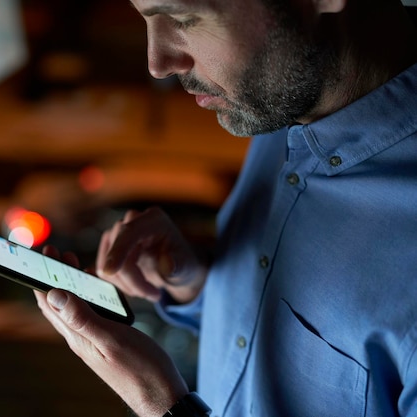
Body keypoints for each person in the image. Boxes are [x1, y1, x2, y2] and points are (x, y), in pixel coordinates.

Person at [34, 0, 417, 415]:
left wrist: (163, 405)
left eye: (183, 18)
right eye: (144, 18)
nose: (158, 63)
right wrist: (199, 285)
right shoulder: (285, 99)